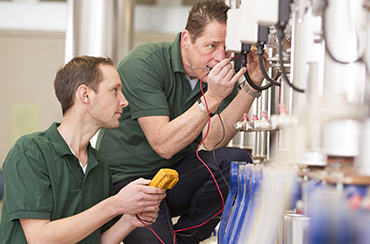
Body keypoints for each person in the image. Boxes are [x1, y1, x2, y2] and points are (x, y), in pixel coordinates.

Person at [96, 0, 268, 243]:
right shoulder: (144, 63)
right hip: (129, 182)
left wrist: (251, 84)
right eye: (211, 46)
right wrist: (212, 98)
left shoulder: (216, 76)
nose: (221, 58)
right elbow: (163, 145)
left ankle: (185, 239)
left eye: (226, 49)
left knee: (235, 161)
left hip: (174, 178)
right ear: (186, 39)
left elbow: (211, 140)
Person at [0, 56, 166, 244]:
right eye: (114, 91)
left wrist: (129, 220)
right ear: (85, 95)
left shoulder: (100, 164)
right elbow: (39, 238)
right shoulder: (30, 151)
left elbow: (97, 240)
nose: (124, 101)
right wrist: (116, 204)